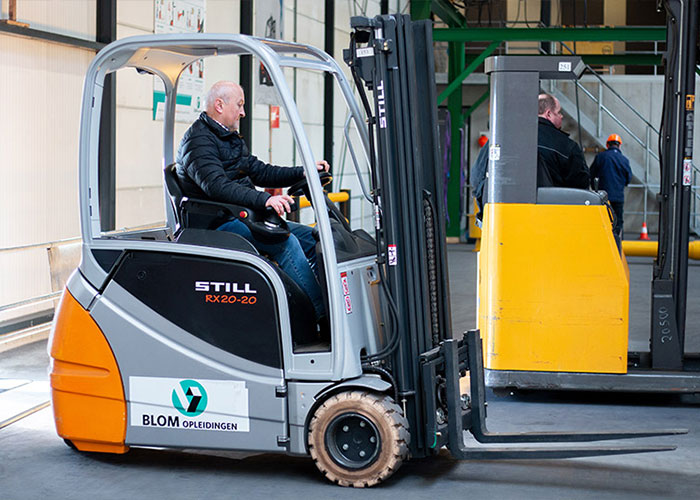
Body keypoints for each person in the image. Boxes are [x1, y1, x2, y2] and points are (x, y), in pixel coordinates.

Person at [175, 81, 329, 321]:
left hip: (239, 214)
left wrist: (304, 171)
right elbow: (218, 187)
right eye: (239, 105)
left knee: (315, 239)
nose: (243, 112)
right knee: (285, 244)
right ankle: (321, 319)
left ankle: (326, 303)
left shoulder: (227, 138)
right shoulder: (198, 142)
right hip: (217, 222)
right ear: (219, 105)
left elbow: (261, 171)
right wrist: (265, 199)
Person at [537, 93, 590, 189]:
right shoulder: (567, 146)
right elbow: (581, 183)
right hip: (554, 202)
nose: (561, 116)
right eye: (559, 112)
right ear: (549, 114)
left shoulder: (514, 138)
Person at [590, 134, 632, 237]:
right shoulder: (624, 160)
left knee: (603, 221)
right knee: (617, 222)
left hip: (602, 196)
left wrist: (594, 188)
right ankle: (617, 243)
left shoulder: (600, 157)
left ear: (607, 145)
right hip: (618, 197)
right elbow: (628, 178)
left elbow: (591, 174)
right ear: (619, 145)